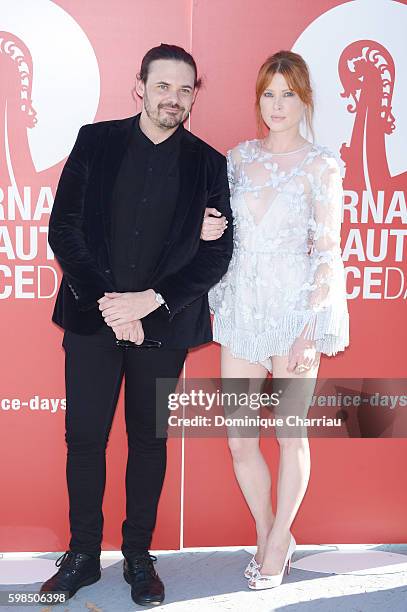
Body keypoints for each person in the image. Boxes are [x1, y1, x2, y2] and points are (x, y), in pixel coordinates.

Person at [40, 43, 232, 606]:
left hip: (164, 325)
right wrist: (110, 302)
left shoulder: (208, 163)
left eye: (185, 89)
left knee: (149, 442)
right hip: (92, 316)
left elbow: (216, 255)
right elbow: (64, 228)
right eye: (163, 86)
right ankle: (81, 554)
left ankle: (138, 555)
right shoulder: (94, 141)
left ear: (195, 95)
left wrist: (149, 302)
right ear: (139, 87)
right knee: (84, 440)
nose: (174, 98)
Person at [207, 50, 349, 590]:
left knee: (291, 435)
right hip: (243, 310)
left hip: (293, 314)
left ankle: (277, 541)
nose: (277, 104)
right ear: (258, 99)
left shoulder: (321, 164)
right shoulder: (237, 158)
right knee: (241, 440)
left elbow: (328, 248)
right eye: (269, 93)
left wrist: (312, 324)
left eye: (288, 93)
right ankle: (271, 533)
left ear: (305, 99)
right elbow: (224, 232)